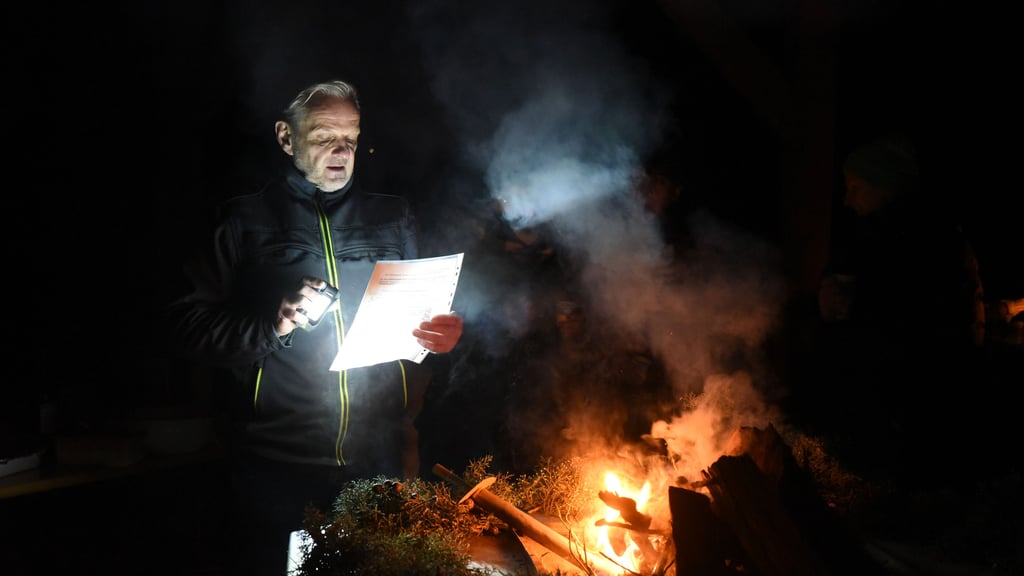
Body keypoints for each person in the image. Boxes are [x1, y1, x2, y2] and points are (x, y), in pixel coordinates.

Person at [162, 79, 464, 576]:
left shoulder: (391, 215)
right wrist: (273, 325)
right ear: (286, 137)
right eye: (325, 136)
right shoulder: (244, 218)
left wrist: (445, 337)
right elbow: (186, 326)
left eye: (352, 137)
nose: (342, 151)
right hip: (276, 466)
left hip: (377, 459)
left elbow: (429, 321)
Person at [812, 132, 985, 488]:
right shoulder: (874, 235)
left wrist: (849, 306)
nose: (847, 199)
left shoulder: (926, 241)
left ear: (884, 188)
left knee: (905, 492)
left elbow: (925, 317)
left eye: (856, 187)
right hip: (888, 399)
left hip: (918, 405)